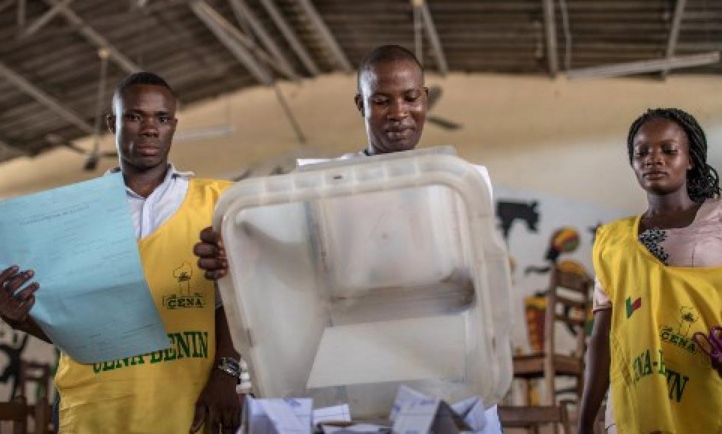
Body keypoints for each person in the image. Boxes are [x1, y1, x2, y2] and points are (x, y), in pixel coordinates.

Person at [195, 44, 502, 433]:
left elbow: (480, 286)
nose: (398, 113)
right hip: (355, 362)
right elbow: (288, 268)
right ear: (361, 104)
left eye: (410, 98)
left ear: (425, 98)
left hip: (442, 359)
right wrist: (233, 255)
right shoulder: (319, 187)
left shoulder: (461, 183)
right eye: (381, 100)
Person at [0, 72, 242, 433]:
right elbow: (73, 328)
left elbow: (239, 298)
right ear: (113, 123)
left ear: (173, 125)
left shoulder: (220, 202)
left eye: (162, 118)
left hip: (186, 407)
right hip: (94, 411)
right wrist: (17, 317)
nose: (150, 128)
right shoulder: (68, 218)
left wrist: (227, 373)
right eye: (135, 116)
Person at [577, 108, 722, 434]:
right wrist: (584, 421)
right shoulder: (612, 241)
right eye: (642, 152)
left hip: (712, 386)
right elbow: (603, 337)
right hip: (636, 402)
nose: (653, 159)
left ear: (690, 159)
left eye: (668, 149)